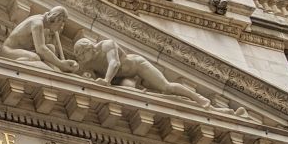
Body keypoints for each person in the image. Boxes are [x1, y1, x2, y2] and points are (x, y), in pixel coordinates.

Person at [73, 37, 213, 106]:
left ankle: (199, 99)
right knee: (131, 93)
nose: (82, 59)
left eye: (82, 55)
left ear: (89, 48)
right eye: (80, 57)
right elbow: (88, 75)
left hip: (137, 67)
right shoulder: (87, 62)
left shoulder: (106, 45)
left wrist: (106, 81)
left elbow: (114, 63)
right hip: (121, 80)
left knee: (166, 87)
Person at [0, 5, 80, 73]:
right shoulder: (37, 23)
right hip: (8, 51)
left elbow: (46, 49)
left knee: (51, 48)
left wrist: (61, 65)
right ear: (56, 20)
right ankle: (17, 67)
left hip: (22, 51)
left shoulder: (43, 25)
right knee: (34, 58)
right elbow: (41, 49)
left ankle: (54, 73)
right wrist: (61, 64)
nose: (60, 28)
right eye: (61, 24)